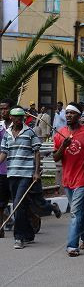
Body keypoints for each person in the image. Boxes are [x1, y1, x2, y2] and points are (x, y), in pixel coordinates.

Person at [53, 102, 84, 257]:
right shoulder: (60, 133)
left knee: (75, 212)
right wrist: (63, 146)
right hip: (67, 179)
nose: (68, 115)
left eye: (72, 113)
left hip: (83, 178)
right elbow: (55, 158)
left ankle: (72, 246)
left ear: (79, 115)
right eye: (67, 113)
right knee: (77, 212)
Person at [0, 106, 41, 249]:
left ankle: (19, 237)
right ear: (10, 118)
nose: (18, 120)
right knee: (21, 205)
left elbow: (37, 152)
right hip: (11, 173)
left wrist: (36, 172)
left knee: (17, 204)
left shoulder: (29, 132)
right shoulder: (7, 134)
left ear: (24, 118)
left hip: (26, 174)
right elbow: (4, 152)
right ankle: (29, 233)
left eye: (20, 117)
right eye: (15, 117)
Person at [0, 98, 14, 237]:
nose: (3, 111)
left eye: (5, 108)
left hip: (17, 168)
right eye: (1, 109)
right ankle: (1, 228)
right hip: (2, 168)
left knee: (21, 201)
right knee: (1, 201)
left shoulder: (18, 126)